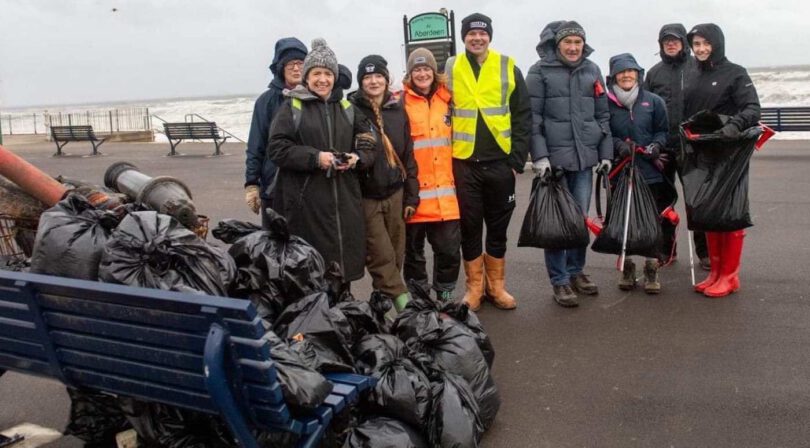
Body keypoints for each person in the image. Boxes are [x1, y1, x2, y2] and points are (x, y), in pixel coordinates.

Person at [268, 38, 377, 290]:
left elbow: (369, 139)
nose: (322, 80)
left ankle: (342, 318)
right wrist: (316, 158)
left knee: (342, 274)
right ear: (307, 77)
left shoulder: (347, 107)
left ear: (334, 77)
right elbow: (277, 149)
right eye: (316, 73)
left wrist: (357, 158)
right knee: (312, 274)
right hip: (307, 204)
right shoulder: (292, 106)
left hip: (345, 202)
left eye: (328, 73)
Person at [446, 13, 531, 311]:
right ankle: (474, 288)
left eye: (482, 34)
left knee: (497, 226)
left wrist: (517, 160)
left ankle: (497, 287)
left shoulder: (508, 66)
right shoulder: (451, 66)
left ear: (489, 37)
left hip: (500, 163)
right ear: (464, 37)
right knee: (469, 227)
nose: (477, 38)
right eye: (471, 34)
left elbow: (522, 114)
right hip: (464, 162)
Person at [526, 20, 613, 307]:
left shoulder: (593, 70)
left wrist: (605, 154)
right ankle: (560, 280)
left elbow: (603, 117)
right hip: (554, 164)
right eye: (568, 42)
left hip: (585, 161)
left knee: (579, 222)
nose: (573, 48)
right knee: (557, 225)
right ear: (557, 44)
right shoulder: (539, 72)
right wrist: (540, 157)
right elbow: (533, 120)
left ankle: (576, 271)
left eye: (578, 42)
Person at [683, 23, 760, 298]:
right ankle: (715, 273)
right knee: (710, 212)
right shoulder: (692, 74)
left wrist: (734, 125)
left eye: (706, 44)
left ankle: (730, 275)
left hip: (730, 154)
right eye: (697, 44)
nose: (701, 49)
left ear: (717, 43)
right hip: (703, 153)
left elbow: (752, 107)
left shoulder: (735, 73)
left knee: (730, 212)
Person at [348, 55, 419, 311]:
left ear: (386, 79)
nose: (374, 81)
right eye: (367, 77)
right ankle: (405, 307)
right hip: (366, 197)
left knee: (396, 255)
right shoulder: (351, 110)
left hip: (396, 193)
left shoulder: (398, 108)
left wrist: (412, 195)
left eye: (378, 76)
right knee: (380, 256)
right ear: (360, 82)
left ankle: (382, 307)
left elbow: (408, 154)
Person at [606, 53, 670, 294]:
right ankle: (628, 267)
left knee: (652, 221)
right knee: (623, 221)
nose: (626, 75)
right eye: (621, 72)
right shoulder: (606, 103)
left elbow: (662, 132)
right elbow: (602, 132)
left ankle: (652, 267)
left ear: (638, 74)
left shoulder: (653, 101)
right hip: (620, 172)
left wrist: (656, 146)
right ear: (613, 76)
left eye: (631, 71)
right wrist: (618, 145)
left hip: (649, 171)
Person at [401, 47, 461, 302]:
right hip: (413, 196)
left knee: (448, 251)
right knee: (413, 254)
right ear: (410, 74)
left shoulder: (449, 100)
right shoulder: (399, 103)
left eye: (426, 68)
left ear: (434, 72)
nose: (422, 74)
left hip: (445, 195)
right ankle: (420, 299)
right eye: (417, 69)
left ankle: (445, 297)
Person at [644, 23, 705, 269]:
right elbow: (645, 108)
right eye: (665, 41)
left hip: (693, 148)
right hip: (664, 149)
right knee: (663, 202)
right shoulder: (654, 73)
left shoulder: (698, 68)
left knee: (696, 201)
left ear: (684, 42)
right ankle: (665, 251)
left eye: (675, 40)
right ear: (661, 45)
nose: (670, 44)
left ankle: (705, 253)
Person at [244, 37, 307, 227]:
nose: (296, 68)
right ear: (280, 67)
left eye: (300, 63)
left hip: (308, 186)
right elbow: (256, 145)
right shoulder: (266, 102)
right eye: (290, 64)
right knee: (275, 244)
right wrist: (252, 183)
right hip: (274, 186)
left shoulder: (316, 98)